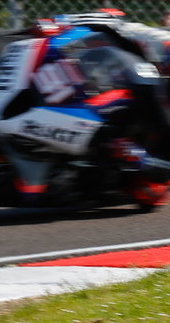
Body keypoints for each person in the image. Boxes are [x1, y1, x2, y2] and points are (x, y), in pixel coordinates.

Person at [28, 10, 170, 207]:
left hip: (138, 149)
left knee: (150, 192)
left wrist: (138, 157)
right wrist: (62, 21)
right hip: (110, 87)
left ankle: (83, 176)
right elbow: (115, 22)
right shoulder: (160, 41)